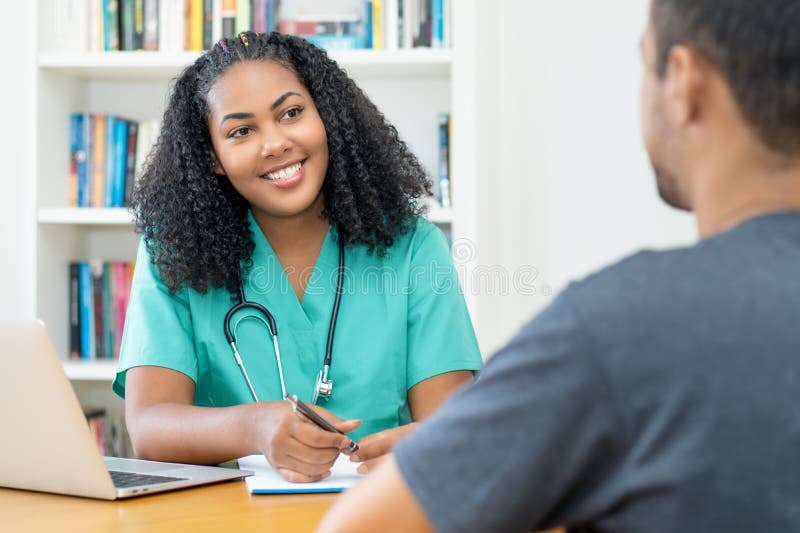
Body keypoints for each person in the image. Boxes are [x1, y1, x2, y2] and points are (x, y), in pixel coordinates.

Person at [318, 0, 800, 531]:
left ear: (684, 83)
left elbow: (358, 527)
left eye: (646, 64)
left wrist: (455, 452)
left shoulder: (622, 326)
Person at [112, 31, 482, 483]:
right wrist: (256, 426)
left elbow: (454, 430)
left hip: (378, 508)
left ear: (325, 116)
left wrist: (427, 446)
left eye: (291, 113)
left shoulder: (414, 247)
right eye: (242, 131)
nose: (274, 144)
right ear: (214, 157)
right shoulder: (172, 255)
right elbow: (148, 429)